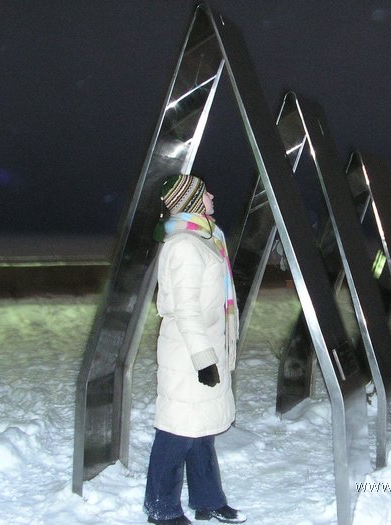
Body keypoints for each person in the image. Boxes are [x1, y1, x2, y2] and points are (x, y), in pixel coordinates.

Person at [144, 173, 246, 525]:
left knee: (201, 432)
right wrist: (204, 359)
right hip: (188, 354)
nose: (212, 195)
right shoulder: (185, 246)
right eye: (205, 192)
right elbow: (185, 309)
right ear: (190, 201)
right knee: (177, 434)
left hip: (204, 347)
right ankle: (161, 509)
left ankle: (207, 500)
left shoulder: (205, 239)